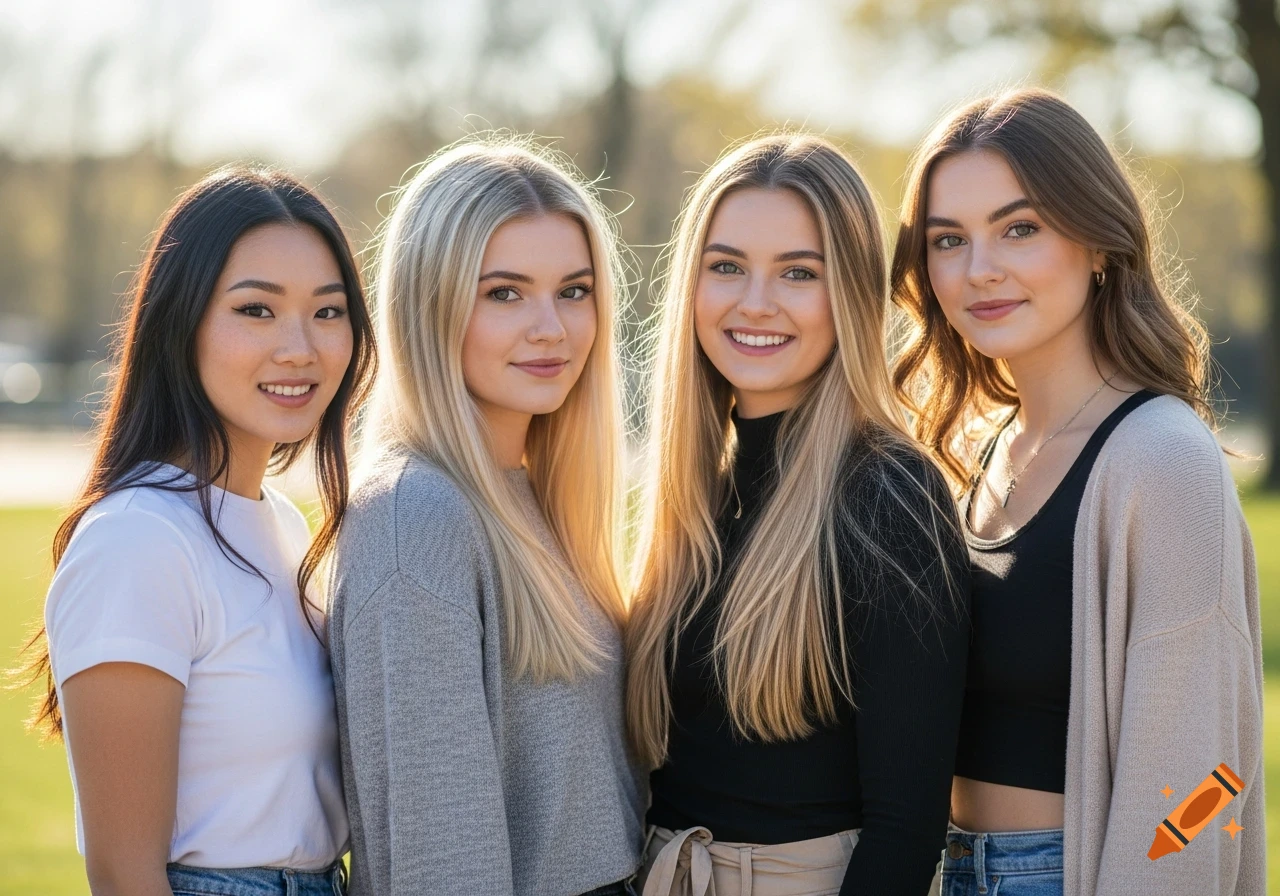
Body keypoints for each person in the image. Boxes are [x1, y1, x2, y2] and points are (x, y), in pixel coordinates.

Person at [891, 87, 1266, 896]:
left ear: (1099, 244)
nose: (979, 269)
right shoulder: (971, 455)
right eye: (948, 239)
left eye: (1019, 228)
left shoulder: (1162, 462)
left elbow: (1206, 782)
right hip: (948, 870)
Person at [625, 133, 971, 896]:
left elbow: (906, 832)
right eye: (726, 267)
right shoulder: (697, 492)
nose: (755, 303)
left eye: (798, 273)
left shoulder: (890, 497)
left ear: (847, 294)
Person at [31, 165, 376, 896]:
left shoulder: (282, 526)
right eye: (257, 310)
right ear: (179, 323)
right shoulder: (138, 540)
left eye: (328, 310)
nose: (300, 348)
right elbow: (125, 875)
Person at [328, 138, 644, 896]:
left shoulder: (534, 497)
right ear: (428, 307)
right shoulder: (416, 517)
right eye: (504, 292)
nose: (553, 328)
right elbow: (442, 861)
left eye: (574, 290)